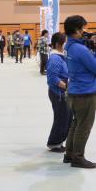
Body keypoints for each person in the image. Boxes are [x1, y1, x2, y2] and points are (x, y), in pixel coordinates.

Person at [63, 15, 96, 168]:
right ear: (77, 30)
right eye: (84, 28)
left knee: (76, 124)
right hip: (85, 92)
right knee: (84, 126)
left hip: (74, 92)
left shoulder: (69, 45)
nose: (86, 31)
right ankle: (78, 157)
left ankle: (69, 154)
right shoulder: (80, 49)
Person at [46, 32, 72, 152]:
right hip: (58, 93)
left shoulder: (62, 56)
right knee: (61, 118)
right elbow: (53, 79)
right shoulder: (54, 59)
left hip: (63, 92)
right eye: (64, 43)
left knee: (66, 117)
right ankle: (54, 143)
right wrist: (66, 87)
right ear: (57, 44)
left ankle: (59, 141)